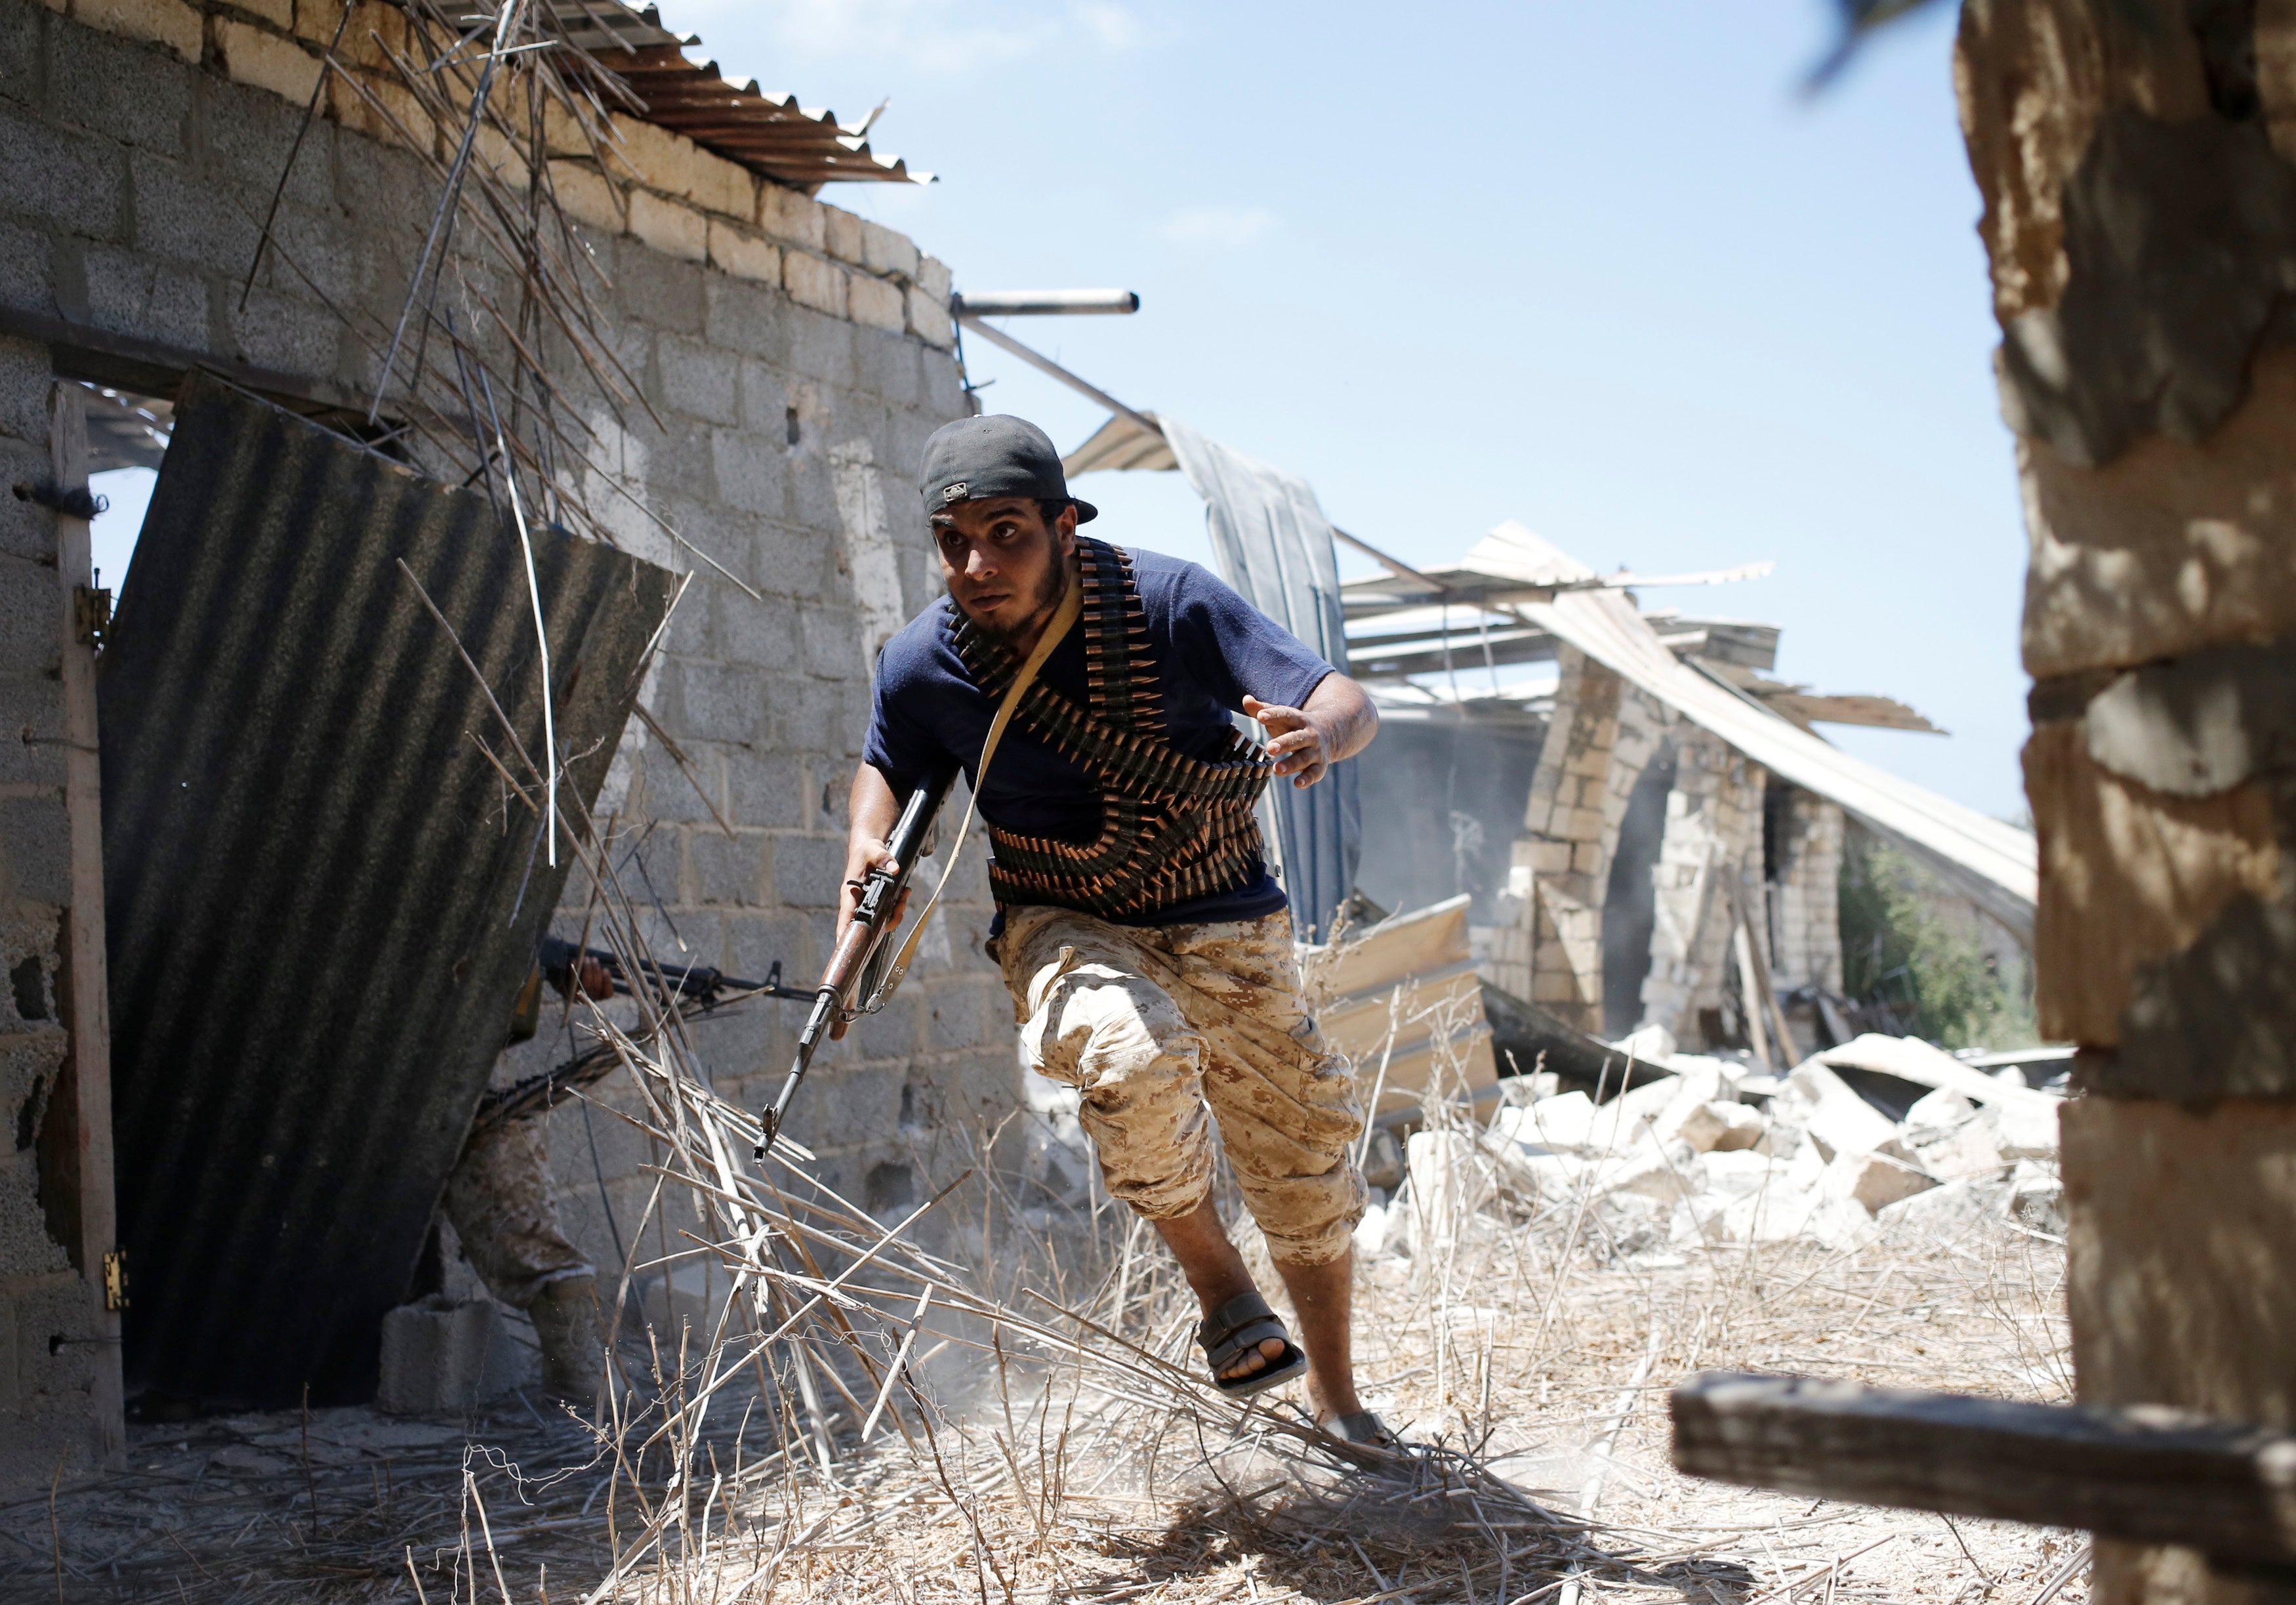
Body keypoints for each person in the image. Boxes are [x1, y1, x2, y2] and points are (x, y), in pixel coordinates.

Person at [844, 414, 1389, 1444]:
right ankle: (1221, 1286)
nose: (976, 563)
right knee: (1130, 1052)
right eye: (952, 539)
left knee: (1304, 1151)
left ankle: (1338, 1397)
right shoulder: (922, 660)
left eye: (1005, 531)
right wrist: (862, 850)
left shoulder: (1168, 600)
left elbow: (1341, 695)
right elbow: (887, 760)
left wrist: (1320, 734)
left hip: (1221, 915)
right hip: (1064, 921)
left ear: (1063, 523)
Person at [435, 938, 613, 1402]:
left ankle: (578, 1386)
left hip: (473, 1065)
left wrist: (560, 975)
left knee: (531, 1231)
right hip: (436, 1062)